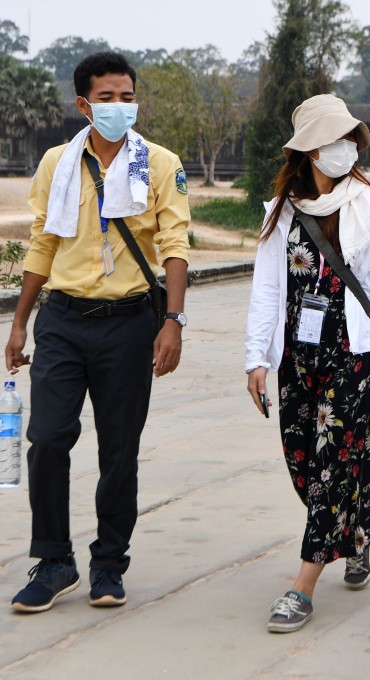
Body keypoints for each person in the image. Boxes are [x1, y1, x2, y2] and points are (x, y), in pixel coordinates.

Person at [5, 52, 190, 613]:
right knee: (47, 439)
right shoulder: (57, 162)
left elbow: (175, 245)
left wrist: (173, 321)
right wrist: (19, 321)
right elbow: (43, 241)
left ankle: (109, 563)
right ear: (83, 104)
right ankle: (53, 560)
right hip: (62, 318)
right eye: (106, 98)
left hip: (129, 322)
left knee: (119, 448)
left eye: (126, 95)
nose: (118, 106)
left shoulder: (159, 164)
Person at [244, 94, 370, 633]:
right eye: (333, 140)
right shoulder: (282, 211)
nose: (345, 148)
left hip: (356, 355)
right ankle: (356, 537)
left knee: (332, 464)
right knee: (306, 461)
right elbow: (268, 287)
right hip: (298, 356)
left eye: (349, 139)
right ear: (309, 151)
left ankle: (303, 586)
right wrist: (256, 358)